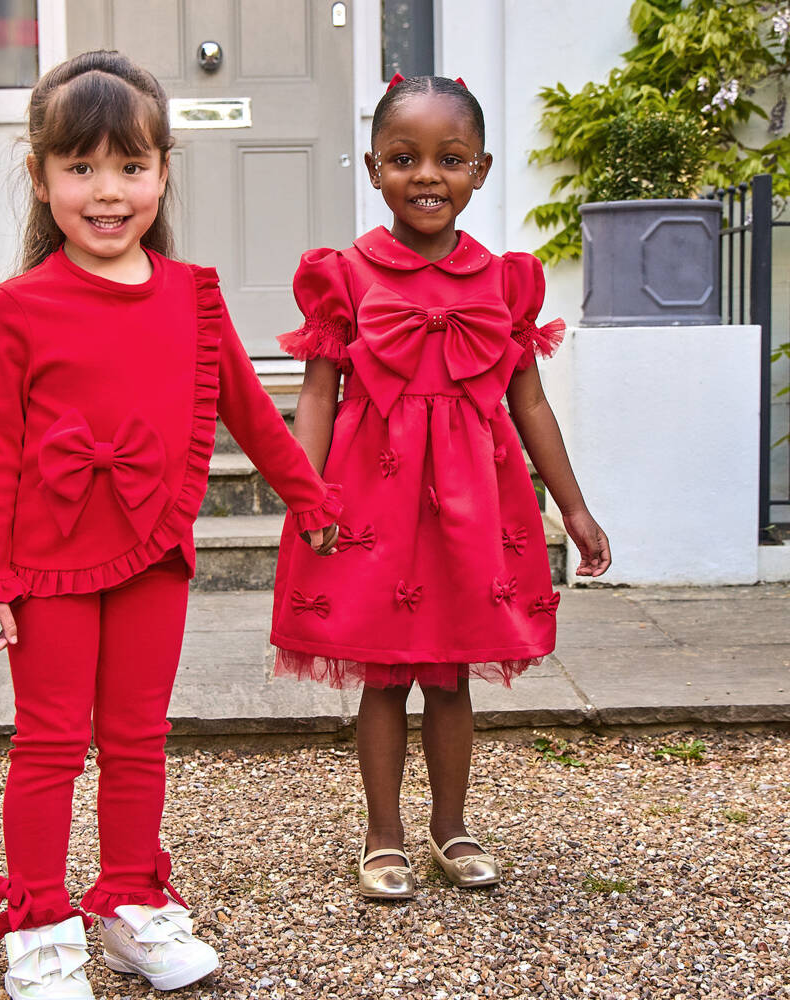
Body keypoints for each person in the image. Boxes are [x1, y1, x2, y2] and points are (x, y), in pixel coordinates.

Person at [0, 50, 340, 999]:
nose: (106, 192)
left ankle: (126, 906)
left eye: (130, 167)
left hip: (154, 551)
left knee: (137, 735)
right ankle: (38, 920)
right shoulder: (20, 307)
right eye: (79, 169)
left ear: (163, 172)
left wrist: (312, 498)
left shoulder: (194, 294)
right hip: (48, 564)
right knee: (48, 741)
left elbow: (248, 409)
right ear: (39, 178)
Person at [270, 73, 610, 900]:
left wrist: (572, 504)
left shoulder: (506, 282)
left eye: (449, 158)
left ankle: (451, 826)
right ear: (374, 167)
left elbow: (527, 402)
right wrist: (305, 494)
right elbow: (318, 394)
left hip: (472, 503)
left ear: (481, 170)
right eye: (404, 157)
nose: (427, 174)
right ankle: (382, 834)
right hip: (374, 506)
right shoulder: (343, 276)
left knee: (451, 673)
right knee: (384, 673)